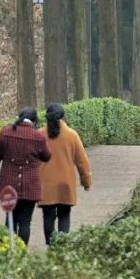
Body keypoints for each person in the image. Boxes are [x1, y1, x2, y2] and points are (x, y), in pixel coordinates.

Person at [0, 106, 52, 246]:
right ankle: (22, 251)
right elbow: (47, 156)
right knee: (25, 221)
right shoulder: (38, 137)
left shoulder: (6, 132)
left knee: (10, 218)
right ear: (35, 120)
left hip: (8, 183)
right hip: (30, 185)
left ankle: (8, 249)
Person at [37, 103, 92, 245]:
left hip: (46, 184)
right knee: (64, 215)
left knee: (48, 217)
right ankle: (63, 246)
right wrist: (86, 182)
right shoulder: (72, 135)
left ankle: (51, 246)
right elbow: (82, 161)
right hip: (65, 184)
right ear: (63, 116)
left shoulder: (39, 135)